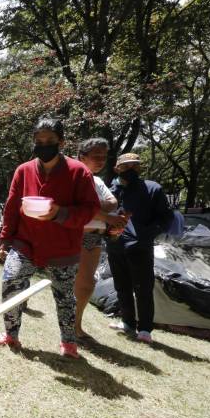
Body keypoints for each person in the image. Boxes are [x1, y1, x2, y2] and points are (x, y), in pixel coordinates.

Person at [0, 118, 100, 359]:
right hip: (25, 243)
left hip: (63, 248)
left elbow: (90, 209)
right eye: (39, 141)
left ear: (61, 141)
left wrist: (59, 213)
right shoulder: (24, 170)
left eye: (50, 140)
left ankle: (69, 343)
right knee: (11, 284)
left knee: (64, 297)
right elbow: (11, 208)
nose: (43, 145)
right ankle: (11, 334)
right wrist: (4, 240)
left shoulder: (78, 172)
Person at [106, 153, 173, 344]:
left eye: (135, 166)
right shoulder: (110, 190)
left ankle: (144, 329)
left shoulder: (152, 189)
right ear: (117, 168)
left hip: (140, 247)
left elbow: (165, 218)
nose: (131, 170)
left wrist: (145, 234)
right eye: (126, 167)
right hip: (115, 245)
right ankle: (127, 322)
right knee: (121, 286)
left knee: (143, 288)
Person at [73, 138, 127, 341]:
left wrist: (92, 207)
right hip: (74, 235)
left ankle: (75, 324)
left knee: (86, 285)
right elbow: (78, 208)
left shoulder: (97, 181)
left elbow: (112, 202)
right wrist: (99, 210)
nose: (101, 161)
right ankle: (71, 327)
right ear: (82, 157)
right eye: (96, 157)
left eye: (104, 157)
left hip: (94, 237)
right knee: (73, 283)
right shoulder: (74, 179)